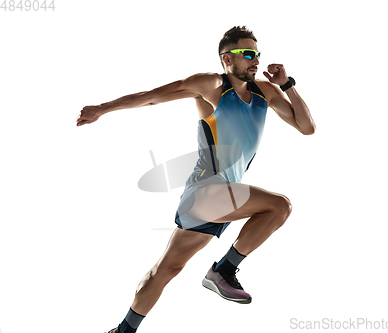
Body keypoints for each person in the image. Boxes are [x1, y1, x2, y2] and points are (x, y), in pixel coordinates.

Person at [76, 26, 315, 333]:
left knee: (165, 270)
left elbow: (307, 127)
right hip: (208, 191)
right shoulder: (212, 84)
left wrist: (287, 85)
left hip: (223, 201)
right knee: (279, 206)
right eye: (247, 54)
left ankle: (123, 330)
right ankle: (224, 270)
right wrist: (103, 109)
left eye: (257, 53)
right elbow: (152, 97)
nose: (255, 60)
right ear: (227, 58)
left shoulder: (265, 92)